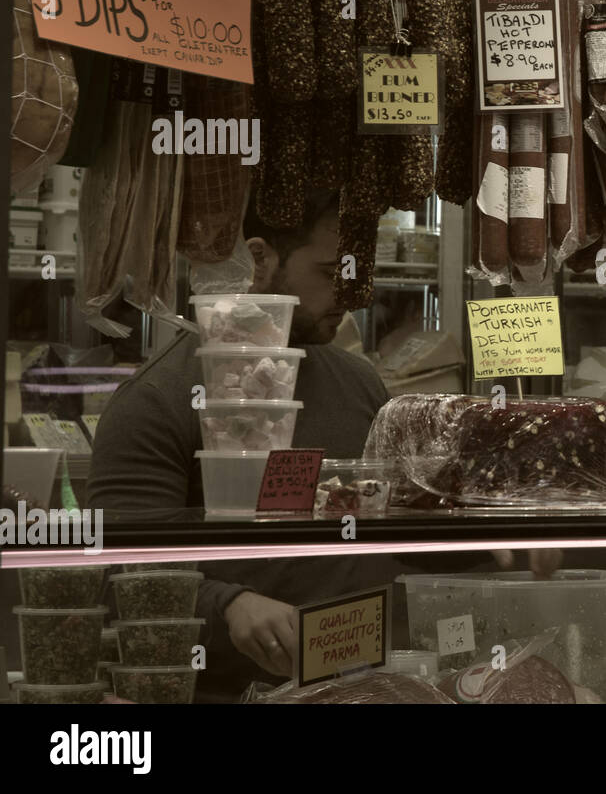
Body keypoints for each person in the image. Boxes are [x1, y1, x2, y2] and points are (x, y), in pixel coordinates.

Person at [89, 190, 393, 699]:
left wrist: (496, 540)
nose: (350, 294)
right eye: (330, 272)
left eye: (356, 273)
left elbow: (399, 521)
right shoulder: (156, 400)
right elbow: (118, 569)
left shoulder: (361, 384)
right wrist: (228, 603)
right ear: (259, 260)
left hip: (362, 687)